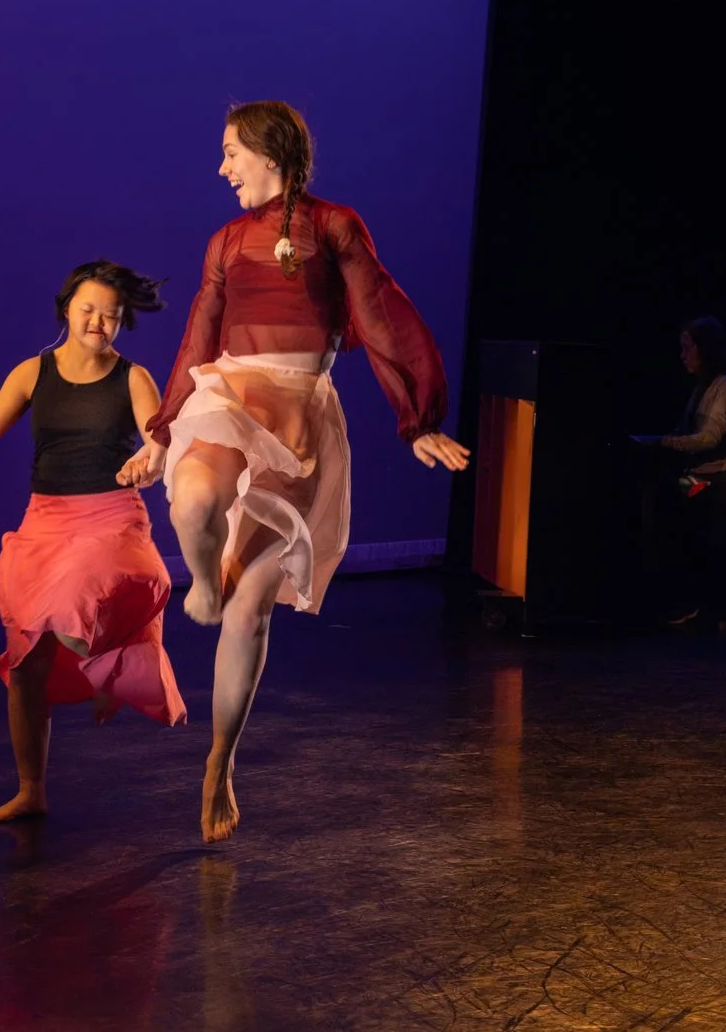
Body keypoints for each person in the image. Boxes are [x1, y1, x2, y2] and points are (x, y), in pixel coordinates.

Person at [118, 100, 470, 842]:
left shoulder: (335, 225)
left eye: (229, 152)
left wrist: (419, 417)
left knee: (251, 612)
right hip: (229, 394)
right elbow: (197, 336)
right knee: (192, 501)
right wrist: (159, 434)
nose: (221, 167)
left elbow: (379, 314)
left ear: (268, 152)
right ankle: (203, 582)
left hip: (300, 413)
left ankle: (219, 759)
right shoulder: (225, 240)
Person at [0, 260, 187, 823]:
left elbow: (160, 442)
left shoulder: (133, 379)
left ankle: (106, 666)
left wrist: (149, 459)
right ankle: (31, 789)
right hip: (46, 521)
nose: (98, 324)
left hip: (111, 519)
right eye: (88, 311)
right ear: (67, 309)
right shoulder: (33, 373)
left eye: (110, 317)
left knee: (77, 597)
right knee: (25, 663)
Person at [659, 315, 726, 623]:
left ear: (706, 350)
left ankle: (695, 599)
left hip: (723, 481)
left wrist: (670, 443)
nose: (683, 355)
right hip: (702, 478)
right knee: (664, 496)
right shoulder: (702, 388)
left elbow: (711, 437)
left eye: (688, 348)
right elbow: (684, 431)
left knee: (680, 508)